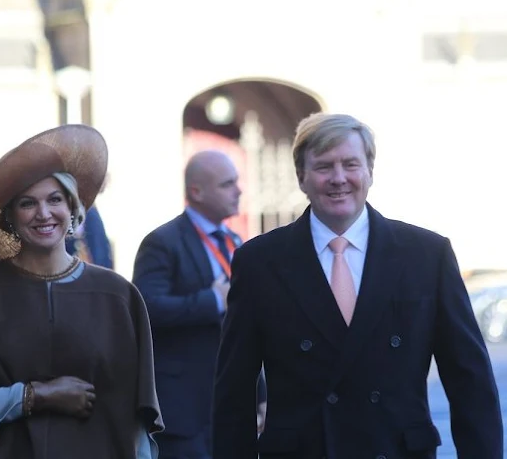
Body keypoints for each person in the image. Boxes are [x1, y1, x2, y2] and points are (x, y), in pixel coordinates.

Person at [212, 113, 503, 459]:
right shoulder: (259, 262)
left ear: (370, 172)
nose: (339, 179)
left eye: (351, 164)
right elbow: (235, 392)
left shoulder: (426, 255)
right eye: (324, 167)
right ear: (301, 177)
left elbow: (470, 381)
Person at [0, 125, 163, 458]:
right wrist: (34, 396)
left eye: (55, 199)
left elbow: (136, 417)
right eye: (28, 203)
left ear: (73, 208)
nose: (44, 213)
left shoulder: (118, 296)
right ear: (10, 217)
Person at [133, 150, 266, 459]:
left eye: (237, 182)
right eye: (227, 184)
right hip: (184, 410)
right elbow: (146, 308)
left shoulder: (236, 243)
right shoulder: (162, 242)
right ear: (196, 191)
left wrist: (260, 393)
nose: (239, 190)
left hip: (231, 404)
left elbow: (246, 329)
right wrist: (211, 300)